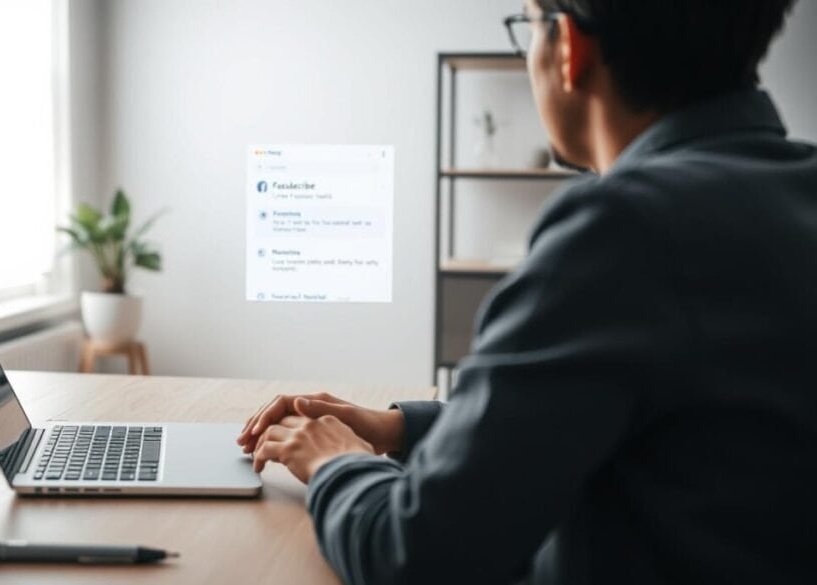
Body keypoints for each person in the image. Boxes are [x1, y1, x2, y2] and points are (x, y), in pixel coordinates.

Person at [236, 0, 816, 583]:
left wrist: (336, 461)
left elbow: (417, 554)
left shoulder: (621, 228)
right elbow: (619, 425)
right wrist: (402, 429)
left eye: (528, 28)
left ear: (569, 47)